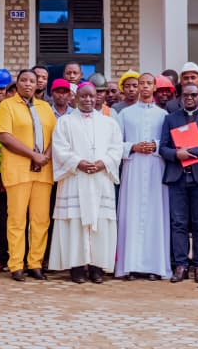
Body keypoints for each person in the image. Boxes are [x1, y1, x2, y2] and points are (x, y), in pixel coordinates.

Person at [49, 83, 122, 284]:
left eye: (91, 96)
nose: (88, 100)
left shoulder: (109, 123)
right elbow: (59, 148)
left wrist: (103, 163)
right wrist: (77, 163)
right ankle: (77, 267)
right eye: (83, 96)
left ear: (98, 97)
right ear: (75, 97)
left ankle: (97, 267)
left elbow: (116, 149)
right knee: (75, 222)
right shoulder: (64, 122)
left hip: (100, 179)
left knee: (101, 222)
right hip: (75, 178)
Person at [0, 69, 55, 282]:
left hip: (43, 171)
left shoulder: (45, 107)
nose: (28, 84)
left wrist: (45, 156)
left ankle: (35, 263)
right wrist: (32, 155)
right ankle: (16, 264)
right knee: (17, 220)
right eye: (24, 80)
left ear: (38, 84)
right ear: (17, 83)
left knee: (40, 220)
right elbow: (4, 136)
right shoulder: (7, 105)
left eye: (32, 81)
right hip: (18, 170)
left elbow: (55, 136)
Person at [159, 83, 198, 283]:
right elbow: (163, 148)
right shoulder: (170, 119)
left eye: (193, 95)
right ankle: (181, 265)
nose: (189, 98)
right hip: (177, 177)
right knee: (178, 223)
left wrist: (191, 152)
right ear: (180, 97)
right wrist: (176, 154)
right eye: (186, 95)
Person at [114, 74, 170, 280]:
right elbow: (115, 142)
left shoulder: (163, 115)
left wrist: (156, 145)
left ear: (154, 87)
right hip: (134, 167)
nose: (145, 87)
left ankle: (154, 267)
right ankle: (129, 265)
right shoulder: (125, 114)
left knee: (155, 214)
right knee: (131, 213)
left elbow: (169, 142)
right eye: (141, 84)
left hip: (156, 168)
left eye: (149, 83)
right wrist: (133, 147)